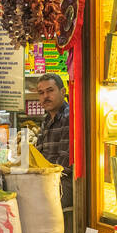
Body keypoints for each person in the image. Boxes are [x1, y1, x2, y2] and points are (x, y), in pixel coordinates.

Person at [34, 73, 72, 206]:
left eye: (50, 91)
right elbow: (38, 156)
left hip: (63, 184)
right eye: (41, 93)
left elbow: (63, 166)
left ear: (63, 92)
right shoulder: (46, 119)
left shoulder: (69, 117)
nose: (45, 96)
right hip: (46, 180)